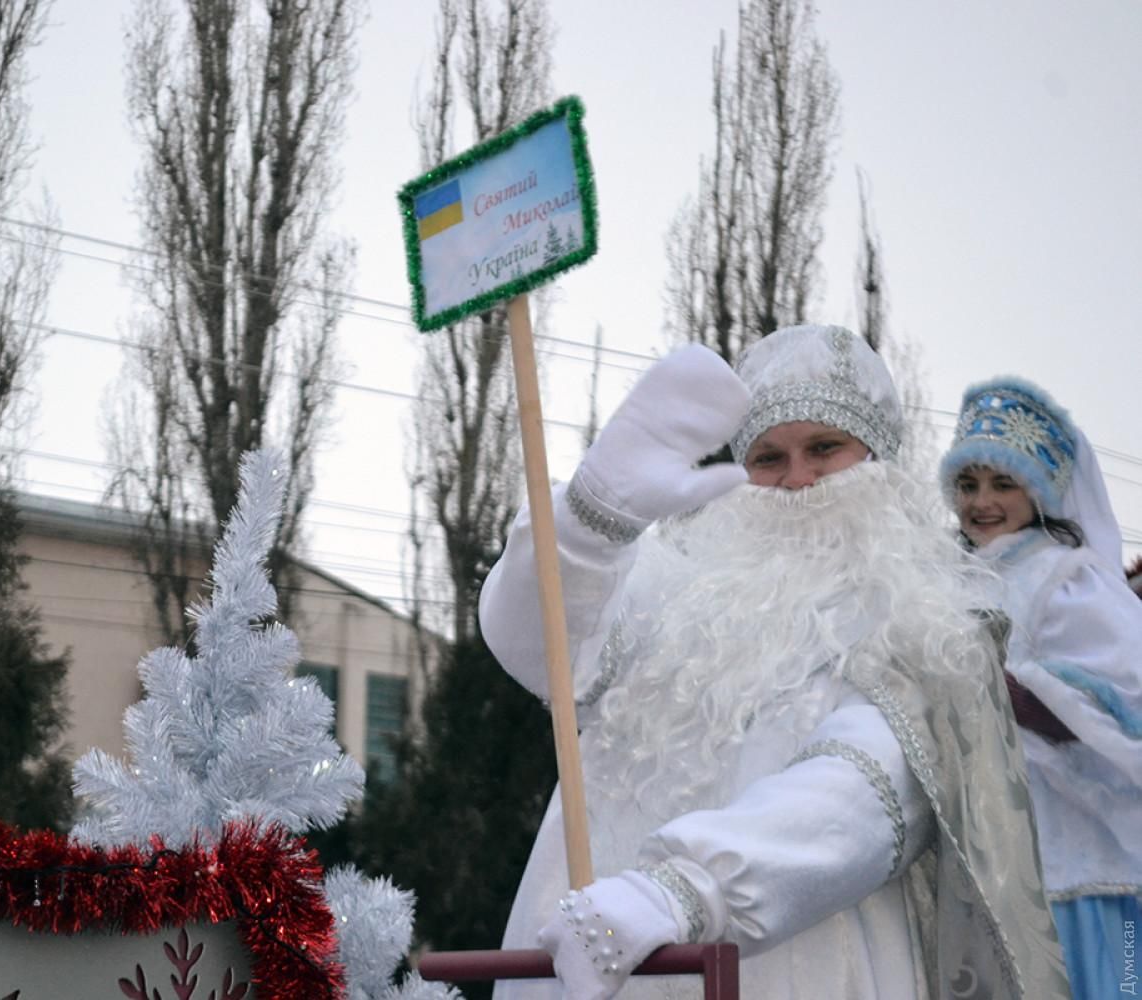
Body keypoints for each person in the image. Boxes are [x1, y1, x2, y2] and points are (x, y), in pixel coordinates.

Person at [479, 325, 1069, 1000]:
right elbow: (540, 650)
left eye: (824, 448)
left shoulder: (925, 619)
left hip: (799, 964)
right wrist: (590, 524)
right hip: (598, 951)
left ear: (878, 454)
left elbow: (867, 790)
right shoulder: (680, 583)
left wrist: (689, 890)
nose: (797, 481)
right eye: (767, 458)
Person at [941, 377, 1142, 999]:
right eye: (968, 484)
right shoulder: (948, 576)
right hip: (982, 848)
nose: (983, 502)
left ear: (1041, 489)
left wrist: (1008, 690)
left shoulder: (1067, 578)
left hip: (1073, 856)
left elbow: (1127, 695)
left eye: (1004, 483)